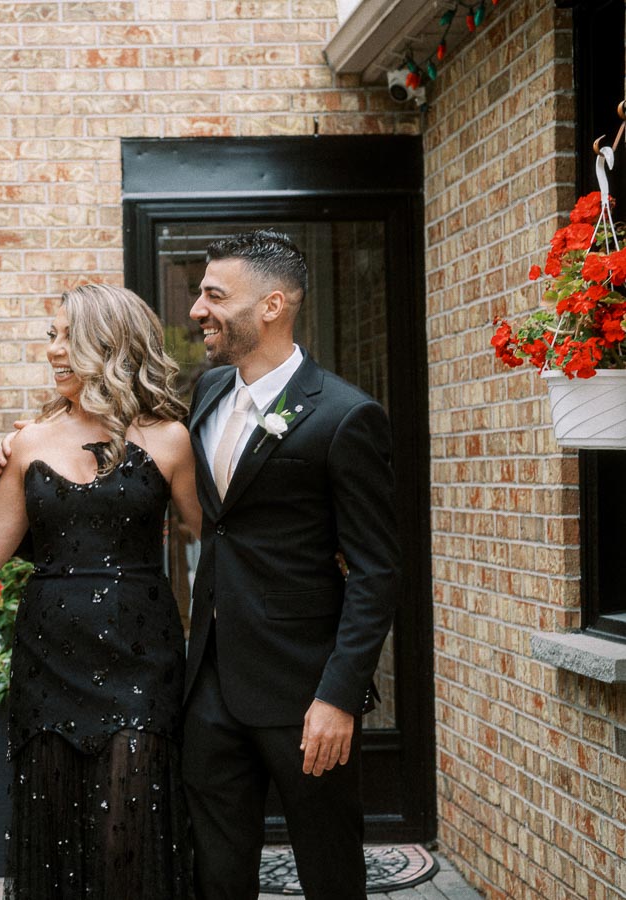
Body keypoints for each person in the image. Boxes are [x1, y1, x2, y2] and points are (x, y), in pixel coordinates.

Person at [181, 230, 401, 899]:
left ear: (271, 305)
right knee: (217, 873)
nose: (197, 309)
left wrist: (338, 695)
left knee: (329, 870)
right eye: (199, 293)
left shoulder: (344, 415)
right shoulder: (208, 391)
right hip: (210, 684)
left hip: (304, 691)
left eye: (214, 295)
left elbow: (375, 572)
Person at [0, 282, 201, 899]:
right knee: (56, 834)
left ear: (111, 344)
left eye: (69, 336)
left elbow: (213, 540)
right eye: (52, 335)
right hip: (49, 662)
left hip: (141, 661)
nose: (54, 350)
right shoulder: (30, 442)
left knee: (129, 833)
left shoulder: (170, 438)